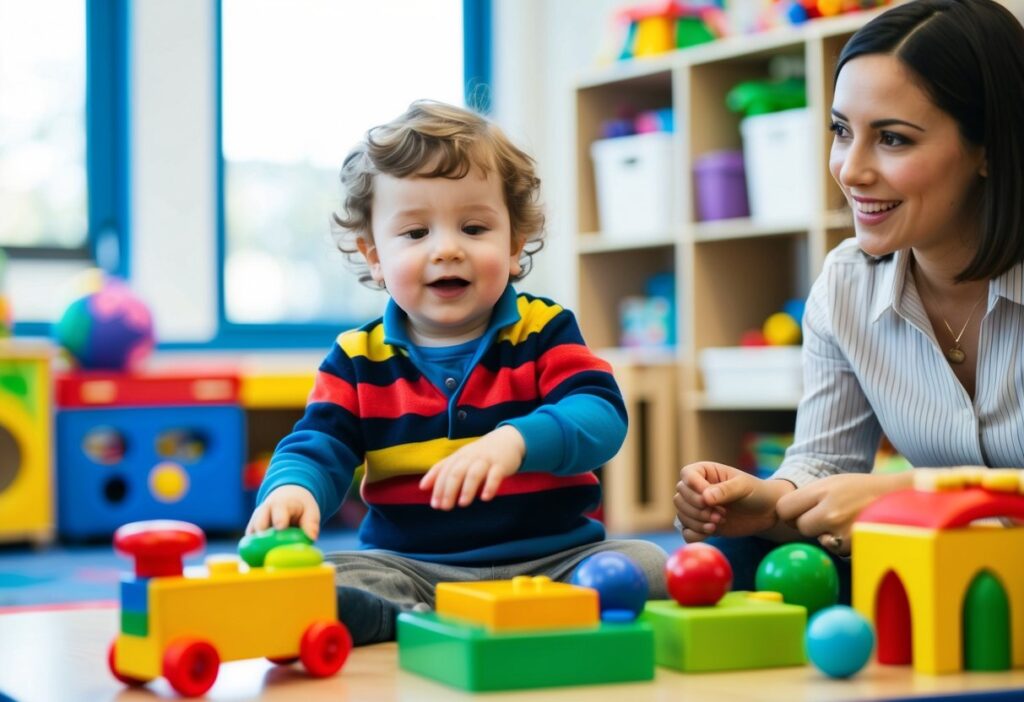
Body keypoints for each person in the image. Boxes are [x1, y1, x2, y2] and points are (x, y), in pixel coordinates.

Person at [248, 100, 668, 644]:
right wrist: (292, 490)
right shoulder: (356, 359)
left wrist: (516, 441)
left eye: (473, 227)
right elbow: (316, 446)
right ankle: (395, 613)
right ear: (374, 256)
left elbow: (600, 414)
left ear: (515, 245)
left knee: (648, 564)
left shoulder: (544, 329)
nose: (447, 250)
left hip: (552, 561)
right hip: (416, 567)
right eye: (416, 233)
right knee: (331, 578)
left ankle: (435, 624)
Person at [674, 0, 1024, 595]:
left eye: (891, 138)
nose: (849, 169)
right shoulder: (846, 285)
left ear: (987, 148)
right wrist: (768, 501)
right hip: (959, 573)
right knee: (736, 550)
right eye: (842, 131)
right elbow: (827, 465)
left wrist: (907, 494)